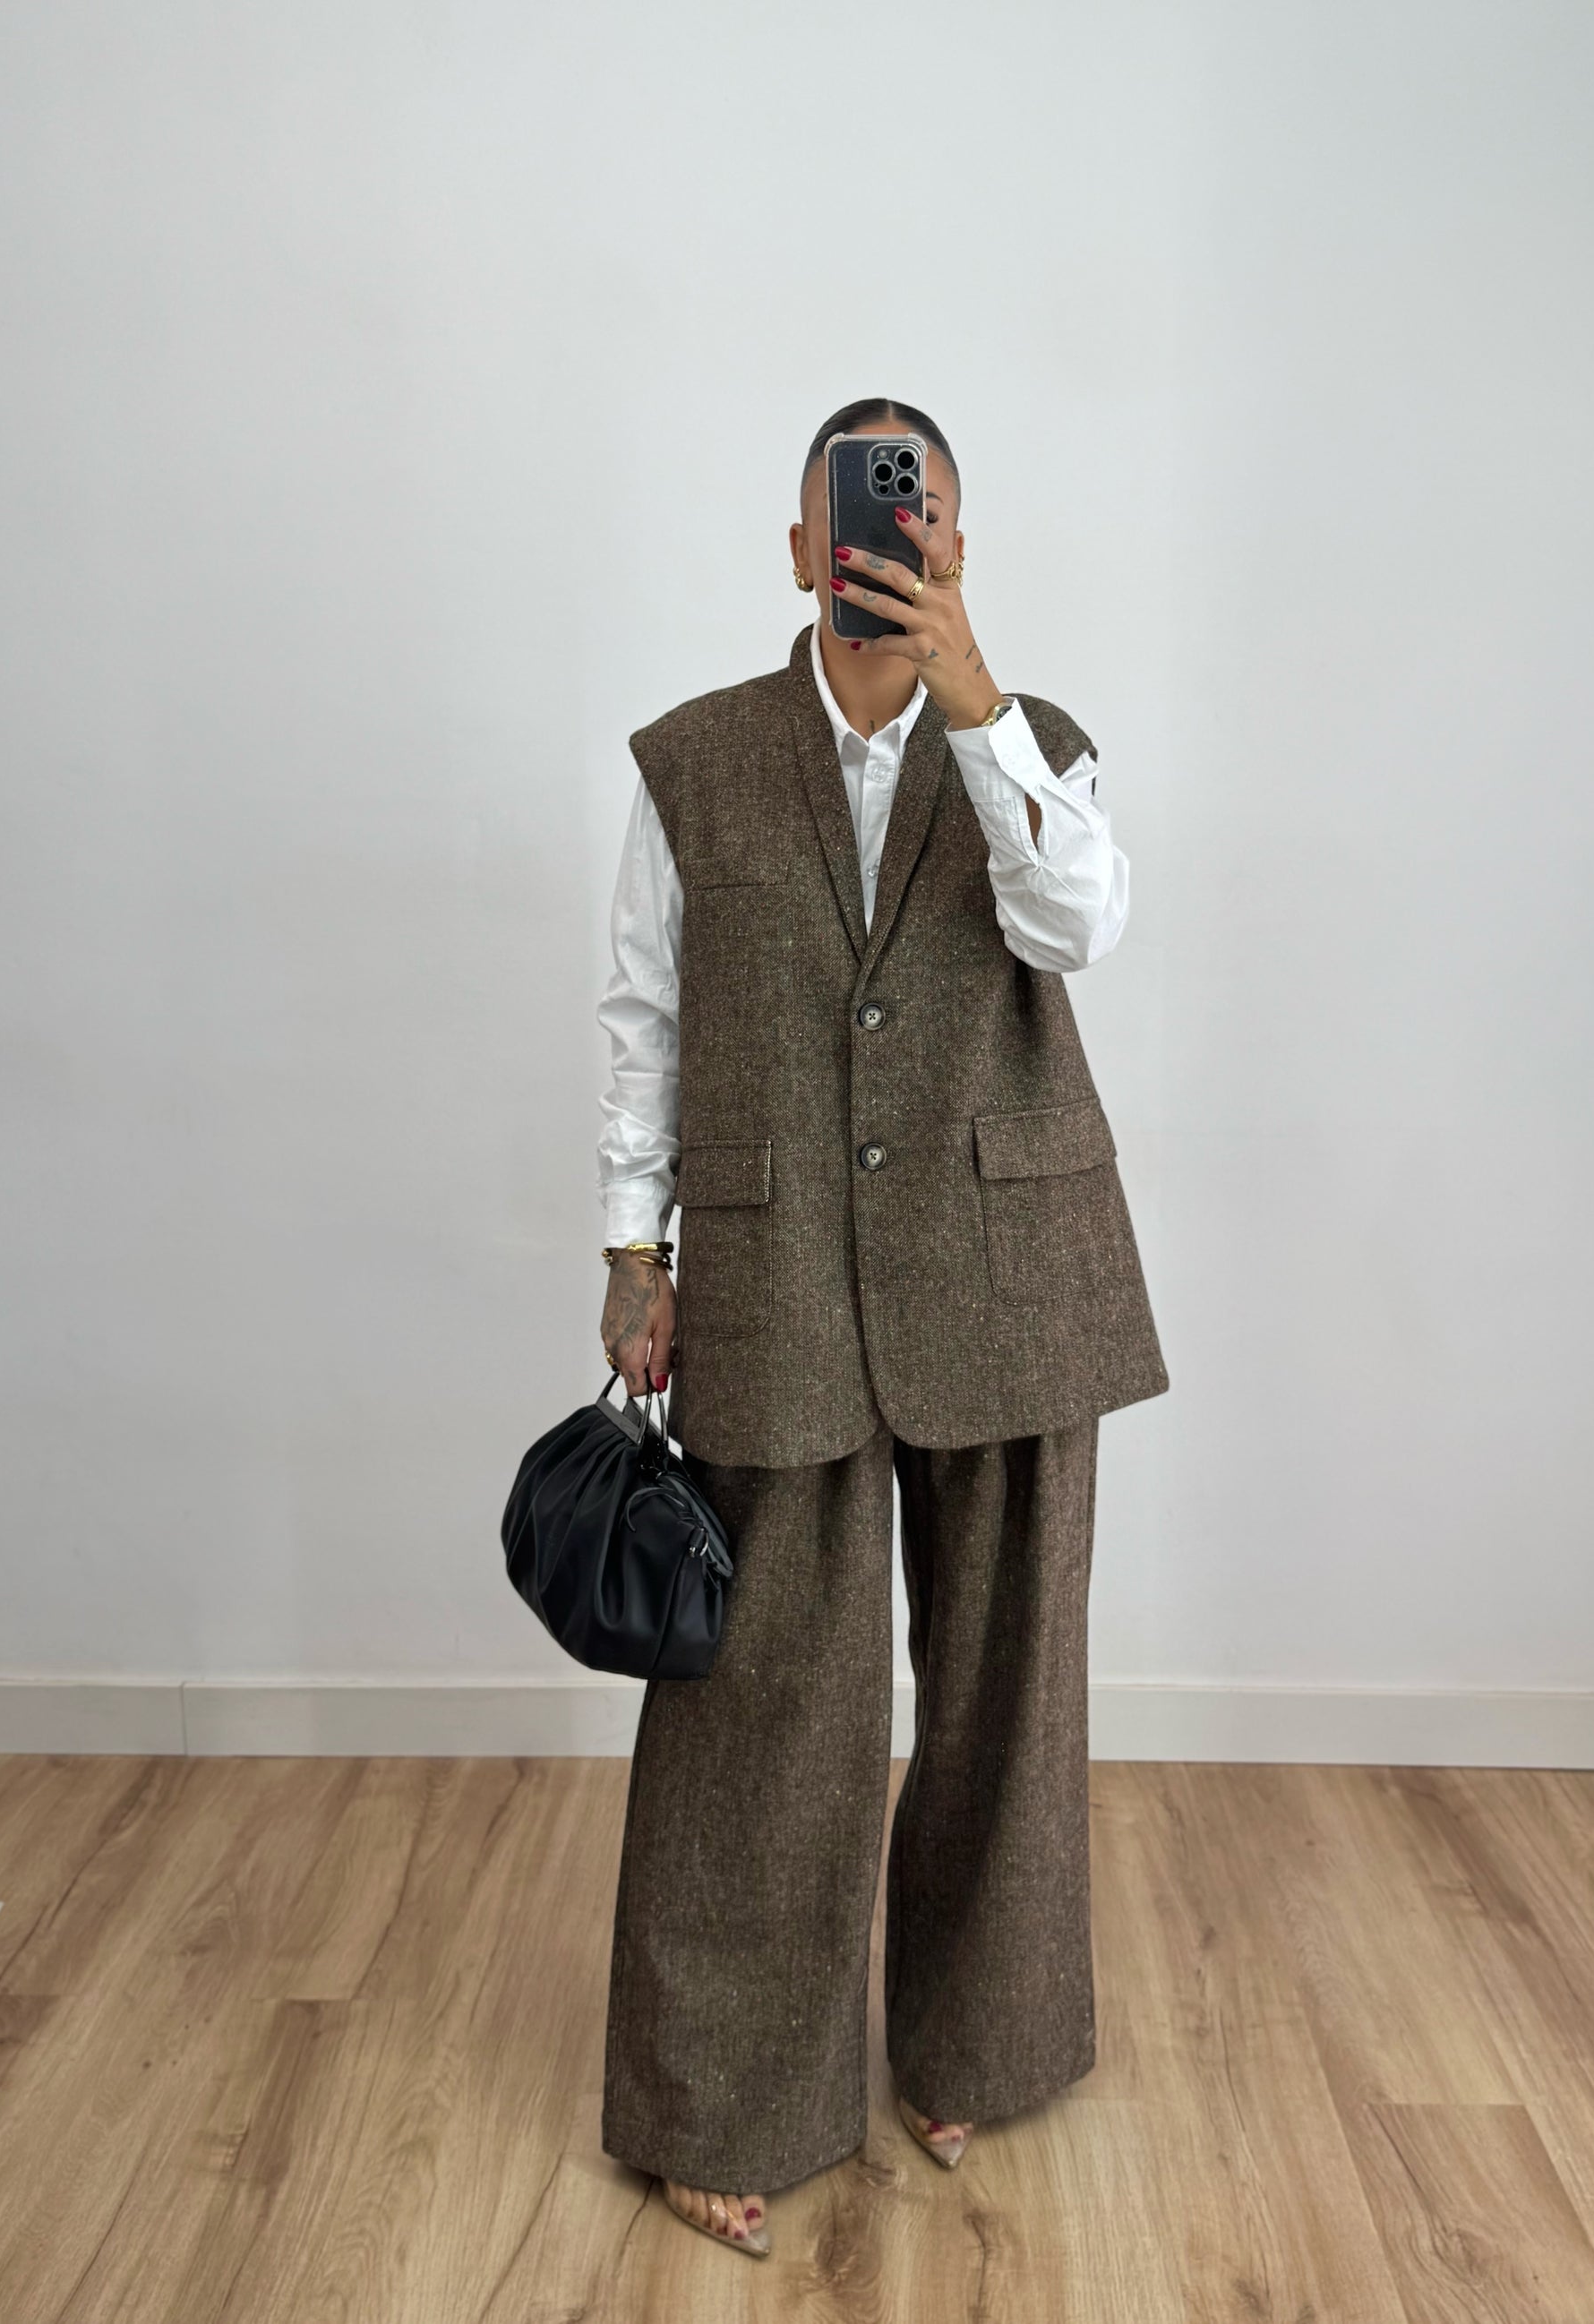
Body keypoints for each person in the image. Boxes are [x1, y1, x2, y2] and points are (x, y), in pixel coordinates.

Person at [593, 397, 1169, 2257]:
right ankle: (724, 2094)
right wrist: (633, 1247)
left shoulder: (1033, 740)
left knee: (1008, 1687)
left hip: (1012, 1272)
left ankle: (974, 2041)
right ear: (797, 550)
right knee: (759, 1706)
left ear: (952, 548)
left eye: (916, 520)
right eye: (851, 517)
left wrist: (974, 692)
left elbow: (1076, 925)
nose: (882, 544)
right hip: (775, 1276)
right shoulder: (691, 759)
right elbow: (643, 1018)